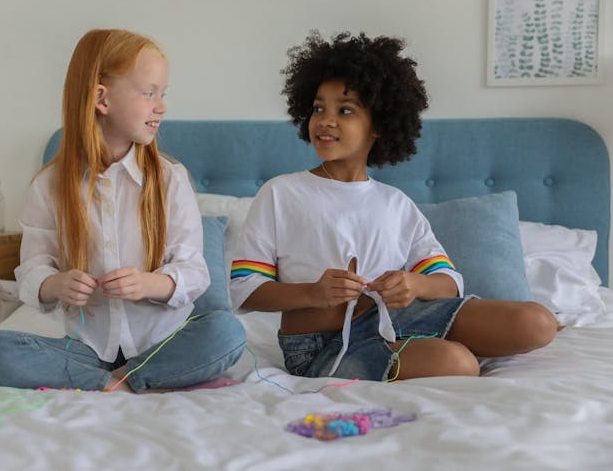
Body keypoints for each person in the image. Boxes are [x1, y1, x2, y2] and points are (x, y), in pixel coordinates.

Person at [229, 31, 559, 382]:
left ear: (380, 126)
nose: (326, 120)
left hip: (405, 319)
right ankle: (428, 349)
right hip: (322, 346)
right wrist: (313, 292)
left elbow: (448, 282)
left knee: (537, 322)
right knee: (458, 363)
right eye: (318, 108)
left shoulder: (395, 203)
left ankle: (423, 343)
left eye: (345, 110)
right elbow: (245, 289)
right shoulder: (282, 193)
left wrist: (413, 284)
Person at [0, 29, 245, 393]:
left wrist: (147, 284)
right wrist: (57, 284)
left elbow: (194, 272)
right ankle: (111, 380)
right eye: (149, 93)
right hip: (88, 351)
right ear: (102, 98)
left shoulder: (170, 179)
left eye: (162, 94)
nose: (161, 105)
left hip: (164, 344)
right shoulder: (50, 186)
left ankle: (134, 376)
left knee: (226, 333)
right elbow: (33, 269)